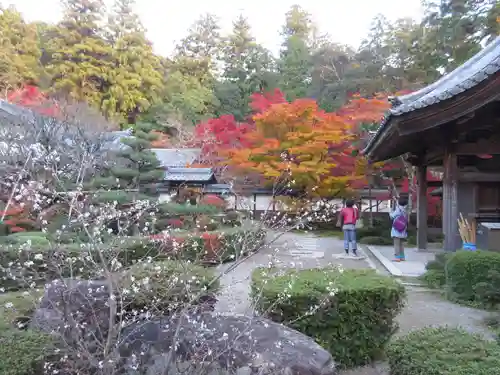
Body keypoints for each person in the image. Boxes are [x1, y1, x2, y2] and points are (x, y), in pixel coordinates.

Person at [390, 196, 408, 262]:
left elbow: (392, 216)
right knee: (401, 244)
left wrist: (390, 211)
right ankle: (402, 257)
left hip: (397, 229)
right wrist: (395, 200)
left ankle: (397, 257)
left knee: (396, 244)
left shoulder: (398, 210)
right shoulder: (405, 210)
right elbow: (398, 205)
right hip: (403, 229)